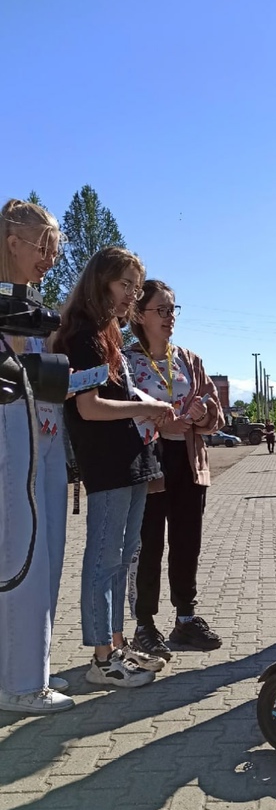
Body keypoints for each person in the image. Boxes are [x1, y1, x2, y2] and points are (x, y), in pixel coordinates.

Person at [55, 247, 176, 687]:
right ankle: (102, 659)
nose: (131, 295)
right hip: (106, 465)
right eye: (125, 285)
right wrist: (146, 407)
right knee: (104, 559)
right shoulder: (83, 334)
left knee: (124, 558)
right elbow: (88, 407)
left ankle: (119, 646)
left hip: (131, 461)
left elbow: (118, 394)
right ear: (100, 281)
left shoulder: (107, 333)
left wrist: (148, 405)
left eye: (135, 288)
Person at [0, 199, 74, 714]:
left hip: (41, 438)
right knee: (20, 553)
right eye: (43, 249)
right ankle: (20, 683)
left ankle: (32, 668)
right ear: (12, 243)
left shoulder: (26, 309)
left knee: (44, 554)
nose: (49, 260)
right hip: (11, 441)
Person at [125, 280, 224, 657]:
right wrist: (159, 421)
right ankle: (144, 625)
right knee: (148, 545)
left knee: (187, 543)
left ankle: (185, 619)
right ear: (139, 315)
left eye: (173, 310)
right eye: (161, 310)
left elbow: (215, 412)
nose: (169, 317)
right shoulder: (127, 361)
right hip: (148, 463)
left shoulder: (189, 360)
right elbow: (120, 413)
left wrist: (202, 414)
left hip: (188, 462)